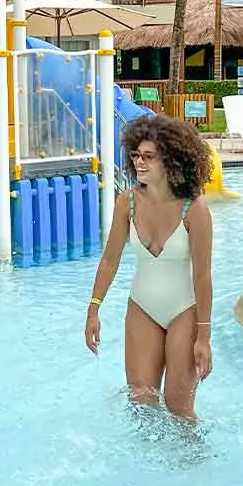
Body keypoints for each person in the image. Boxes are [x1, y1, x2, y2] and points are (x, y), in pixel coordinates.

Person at [83, 115, 214, 421]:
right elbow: (109, 259)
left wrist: (204, 337)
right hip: (142, 307)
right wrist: (93, 309)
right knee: (140, 400)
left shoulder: (194, 209)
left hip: (184, 310)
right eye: (136, 155)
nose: (139, 163)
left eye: (148, 157)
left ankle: (192, 463)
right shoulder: (126, 203)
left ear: (171, 160)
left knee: (178, 407)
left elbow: (203, 275)